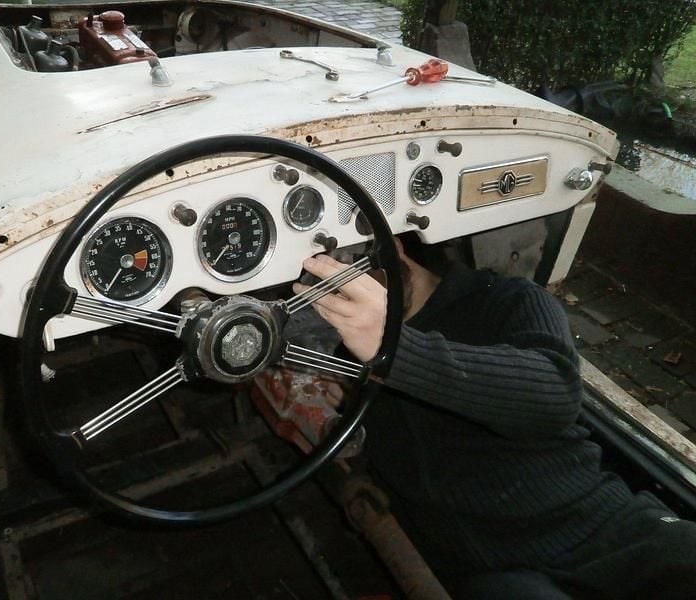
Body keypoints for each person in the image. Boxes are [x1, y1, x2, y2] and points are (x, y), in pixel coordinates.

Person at [293, 237, 696, 599]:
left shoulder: (507, 298)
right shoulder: (352, 358)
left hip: (606, 529)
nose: (344, 290)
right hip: (499, 575)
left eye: (349, 268)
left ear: (391, 245)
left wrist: (394, 348)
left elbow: (554, 397)